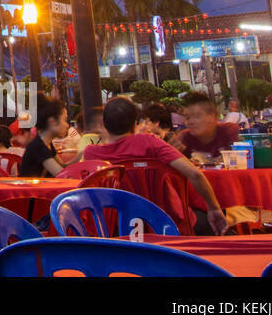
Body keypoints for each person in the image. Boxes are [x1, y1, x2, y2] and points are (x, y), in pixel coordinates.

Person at [84, 97, 228, 235]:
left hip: (114, 230)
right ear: (135, 123)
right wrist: (214, 208)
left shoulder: (91, 153)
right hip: (165, 225)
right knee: (207, 220)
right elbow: (195, 174)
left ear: (104, 123)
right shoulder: (148, 142)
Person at [178, 92, 240, 163]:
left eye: (197, 116)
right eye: (187, 117)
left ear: (212, 116)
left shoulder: (228, 131)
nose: (190, 122)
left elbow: (238, 161)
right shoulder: (184, 138)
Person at [20, 94, 73, 177]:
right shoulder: (38, 146)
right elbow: (62, 175)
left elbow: (63, 166)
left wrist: (81, 154)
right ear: (52, 122)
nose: (67, 125)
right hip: (32, 190)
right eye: (65, 120)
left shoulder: (47, 143)